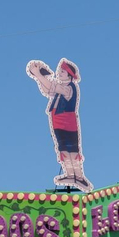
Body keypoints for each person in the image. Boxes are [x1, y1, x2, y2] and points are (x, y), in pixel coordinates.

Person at [26, 58, 92, 192]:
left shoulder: (69, 87)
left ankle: (78, 176)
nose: (59, 73)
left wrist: (38, 74)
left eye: (62, 71)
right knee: (63, 148)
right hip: (58, 122)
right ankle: (70, 174)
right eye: (59, 70)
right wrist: (39, 77)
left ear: (69, 75)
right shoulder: (60, 87)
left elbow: (51, 87)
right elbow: (47, 90)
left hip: (68, 122)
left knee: (72, 148)